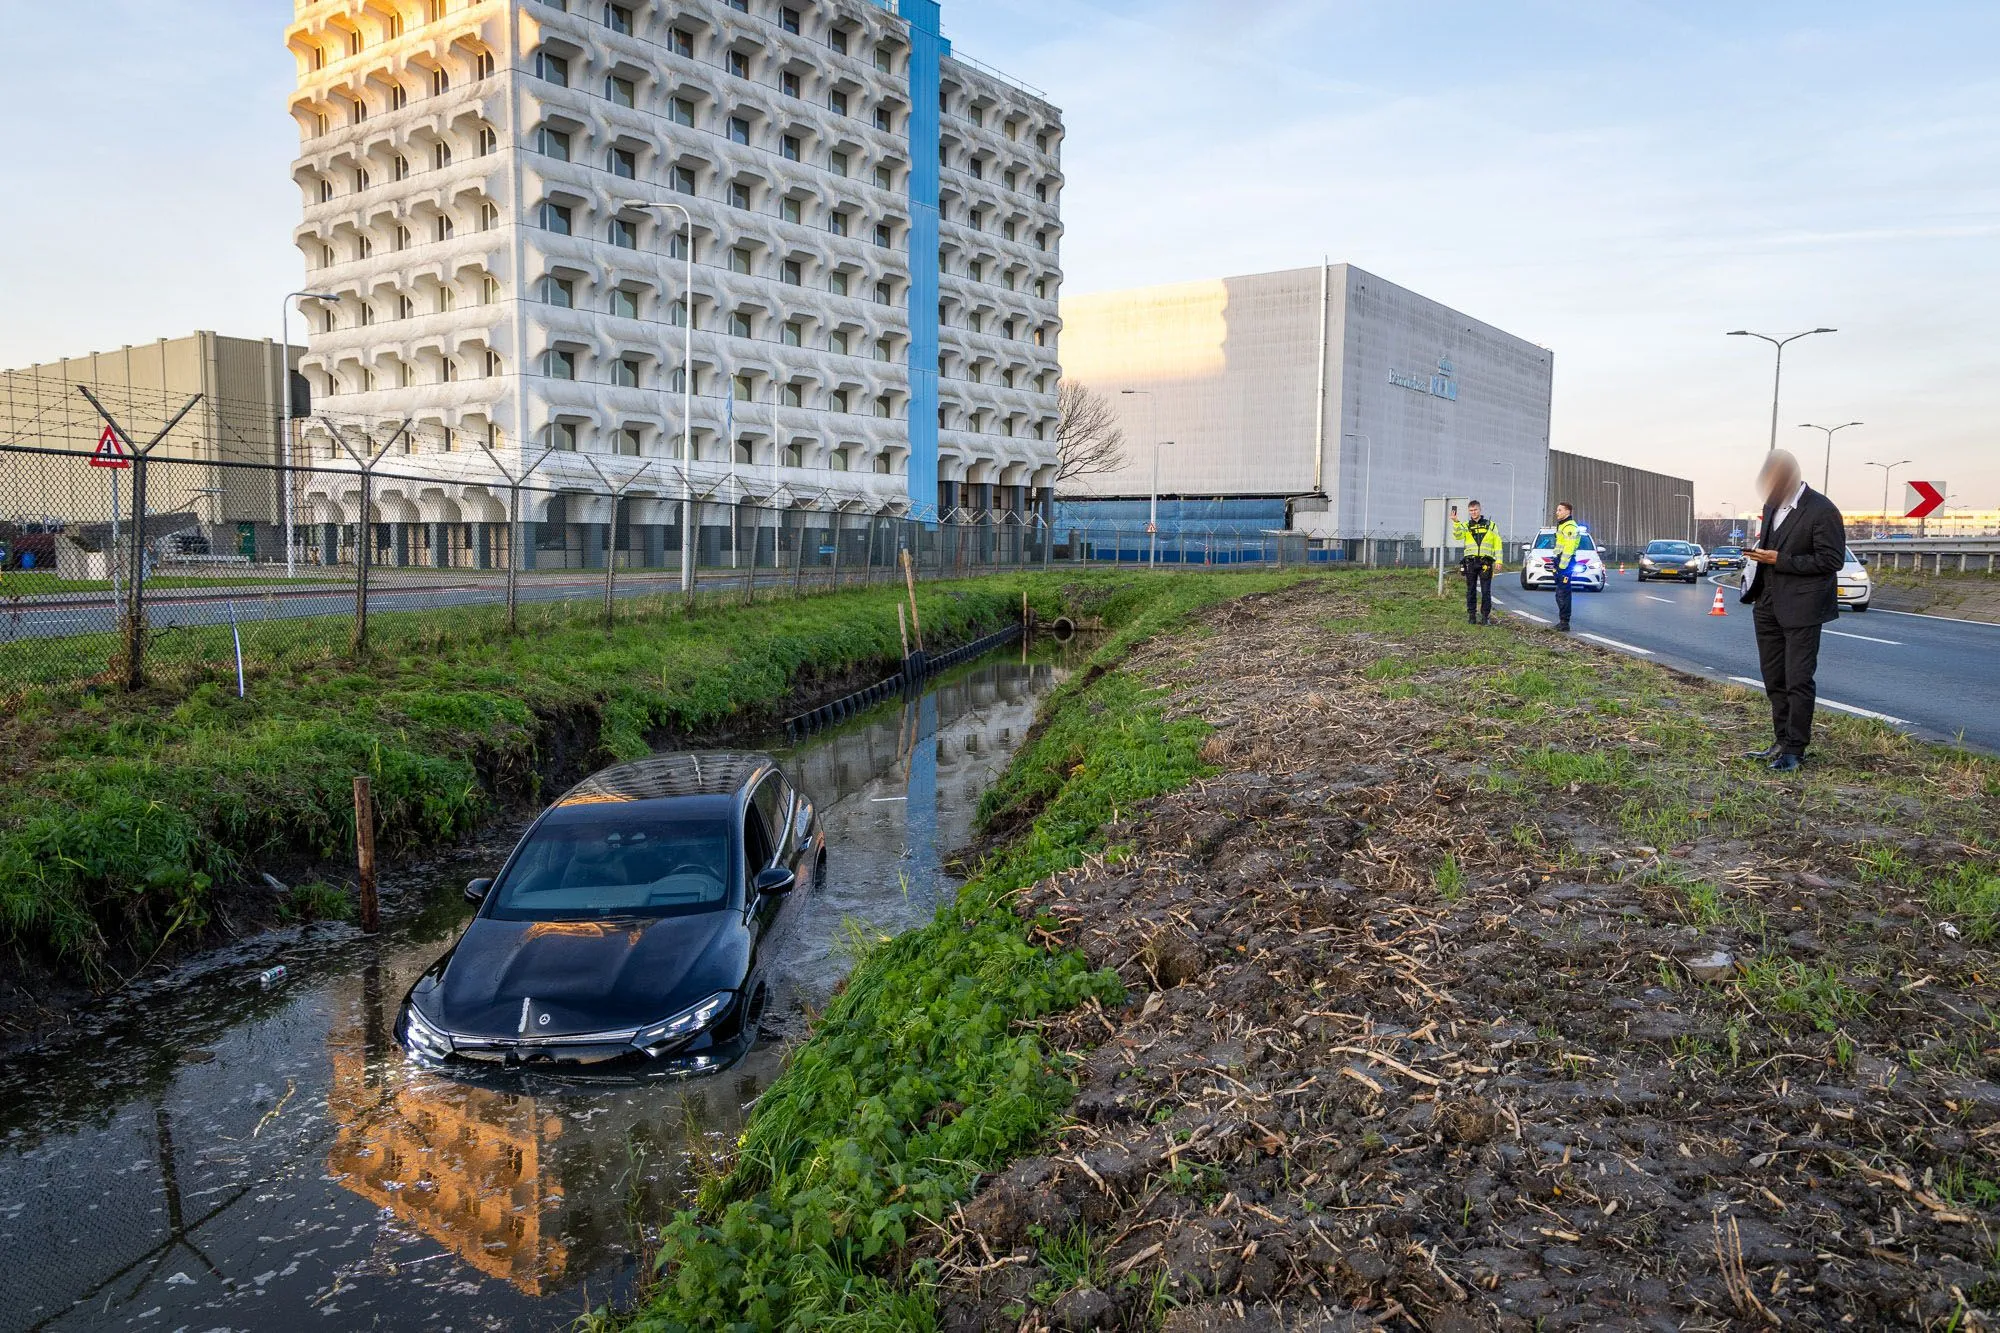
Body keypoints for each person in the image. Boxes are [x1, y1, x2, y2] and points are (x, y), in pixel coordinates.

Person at [1739, 449, 1846, 772]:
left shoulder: (1822, 510)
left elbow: (1831, 561)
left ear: (1790, 477)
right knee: (1774, 678)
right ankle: (1780, 740)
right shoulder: (1771, 506)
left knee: (1798, 679)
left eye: (1773, 480)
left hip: (1803, 609)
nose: (1768, 486)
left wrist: (1778, 560)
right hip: (1768, 605)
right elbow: (1770, 547)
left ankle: (1795, 750)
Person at [1451, 501, 1503, 624]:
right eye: (1471, 510)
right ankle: (1472, 616)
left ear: (1480, 510)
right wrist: (1455, 522)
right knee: (1471, 590)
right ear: (1469, 511)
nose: (1473, 512)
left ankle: (1485, 617)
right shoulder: (1465, 525)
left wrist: (1499, 561)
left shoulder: (1491, 525)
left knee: (1486, 591)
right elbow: (1457, 536)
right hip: (1471, 562)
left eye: (1475, 510)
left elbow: (1498, 544)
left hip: (1485, 563)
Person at [1550, 501, 1580, 632]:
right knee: (1559, 593)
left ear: (1568, 512)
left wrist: (1562, 566)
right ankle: (1563, 621)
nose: (1557, 512)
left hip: (1565, 564)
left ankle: (1564, 622)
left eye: (1560, 510)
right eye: (1557, 510)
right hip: (1560, 562)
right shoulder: (1563, 525)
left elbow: (1568, 548)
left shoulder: (1569, 527)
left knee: (1563, 593)